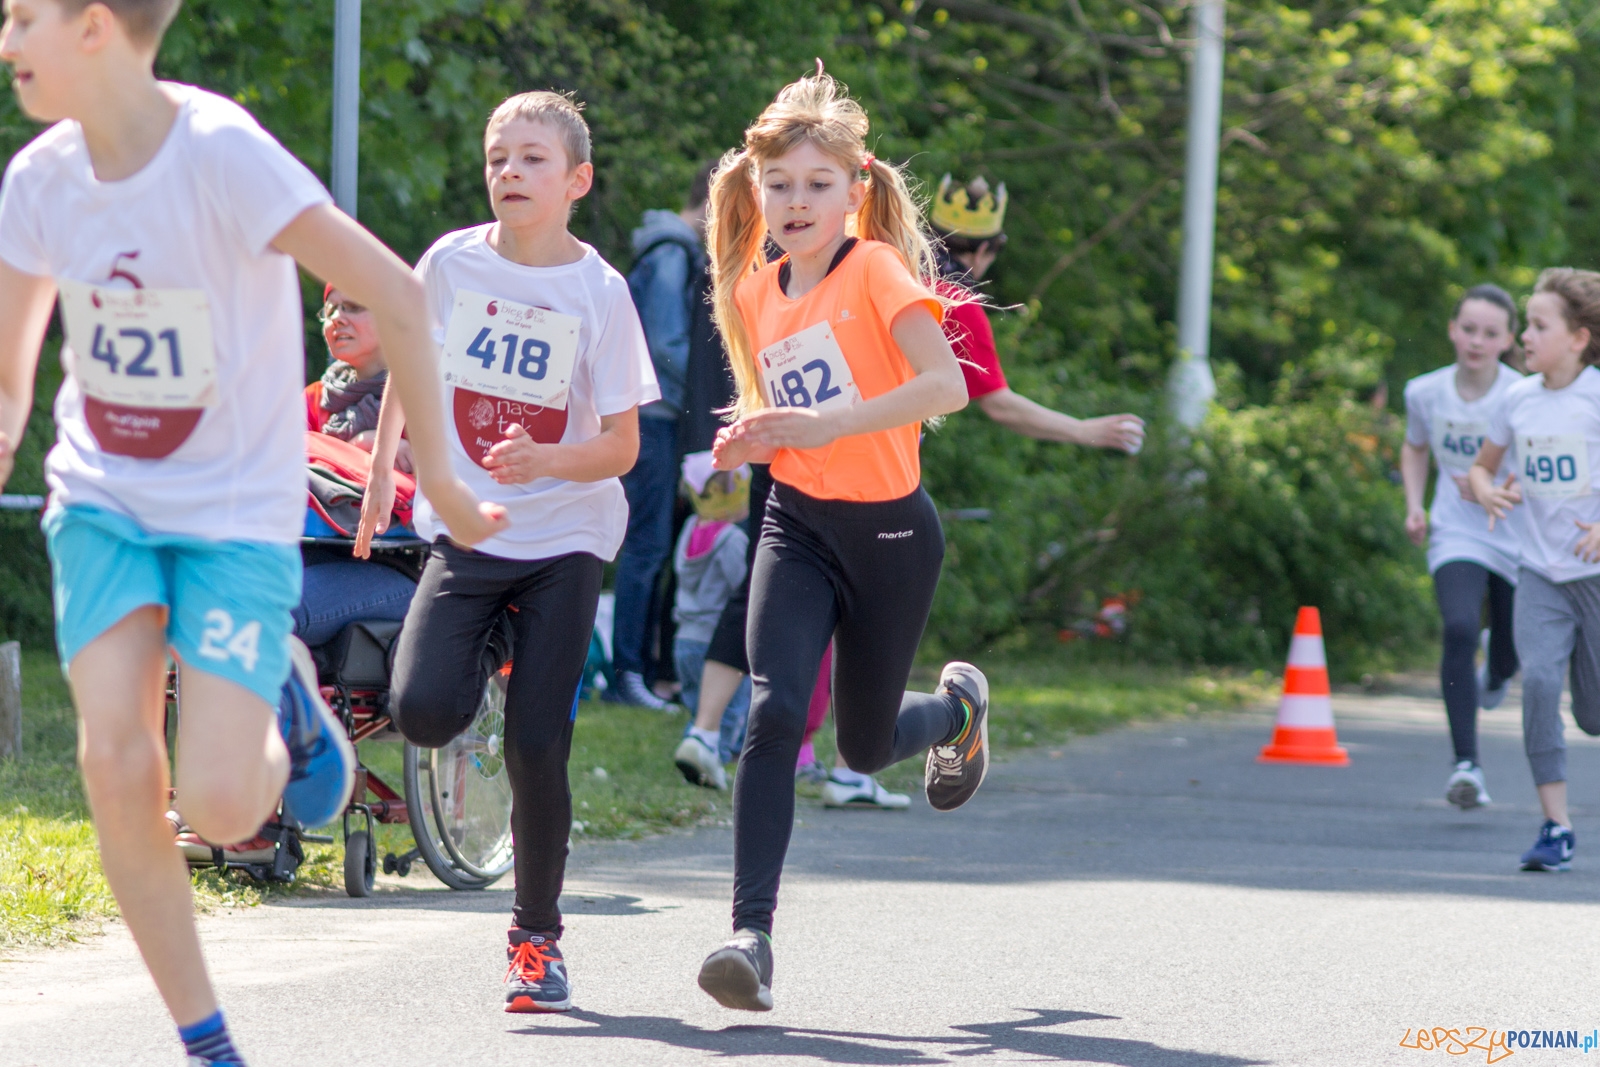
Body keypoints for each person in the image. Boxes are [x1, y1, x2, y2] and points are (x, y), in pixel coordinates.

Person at [0, 1, 503, 1063]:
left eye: (21, 19)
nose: (6, 43)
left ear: (95, 27)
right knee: (115, 761)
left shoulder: (224, 155)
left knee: (225, 807)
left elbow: (402, 298)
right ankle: (207, 1039)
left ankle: (293, 700)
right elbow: (12, 376)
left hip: (233, 518)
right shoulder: (39, 178)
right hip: (100, 503)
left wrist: (444, 485)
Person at [695, 69, 990, 1011]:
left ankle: (955, 713)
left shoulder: (876, 271)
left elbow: (945, 387)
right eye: (777, 185)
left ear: (855, 190)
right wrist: (750, 433)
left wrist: (832, 424)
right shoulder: (755, 286)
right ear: (756, 190)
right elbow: (774, 397)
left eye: (816, 185)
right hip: (798, 524)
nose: (794, 203)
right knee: (775, 714)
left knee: (862, 748)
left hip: (894, 534)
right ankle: (751, 936)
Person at [357, 91, 658, 1013]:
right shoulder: (450, 262)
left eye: (532, 159)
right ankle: (492, 646)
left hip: (566, 535)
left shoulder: (599, 292)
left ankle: (536, 940)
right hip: (471, 527)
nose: (510, 173)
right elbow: (409, 364)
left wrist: (548, 458)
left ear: (577, 180)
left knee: (537, 742)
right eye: (497, 157)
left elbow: (622, 447)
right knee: (423, 709)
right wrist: (380, 476)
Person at [1470, 268, 1600, 872]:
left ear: (1577, 338)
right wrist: (1488, 492)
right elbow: (1481, 468)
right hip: (1540, 573)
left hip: (1594, 576)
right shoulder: (1515, 400)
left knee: (1594, 714)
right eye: (1525, 323)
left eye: (1538, 325)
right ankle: (1557, 826)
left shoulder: (1596, 397)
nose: (1524, 335)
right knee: (1541, 684)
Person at [1400, 285, 1523, 810]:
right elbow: (1415, 445)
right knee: (1457, 627)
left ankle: (1496, 673)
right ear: (1452, 329)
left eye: (1490, 333)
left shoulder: (1522, 394)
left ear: (1508, 340)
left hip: (1517, 534)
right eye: (1468, 329)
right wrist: (1415, 504)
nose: (1476, 341)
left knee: (1509, 652)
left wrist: (1500, 488)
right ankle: (1466, 766)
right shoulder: (1425, 392)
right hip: (1457, 531)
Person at [930, 174, 1144, 452]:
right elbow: (999, 405)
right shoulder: (956, 302)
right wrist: (1083, 430)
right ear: (983, 250)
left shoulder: (891, 263)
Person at [610, 162, 719, 709]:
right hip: (652, 417)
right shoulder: (673, 251)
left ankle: (646, 672)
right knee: (646, 545)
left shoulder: (672, 248)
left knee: (656, 543)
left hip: (659, 418)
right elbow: (665, 346)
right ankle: (626, 674)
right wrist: (704, 399)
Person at [671, 454, 752, 790]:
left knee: (697, 706)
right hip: (715, 641)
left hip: (684, 640)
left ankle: (696, 752)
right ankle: (714, 763)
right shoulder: (733, 539)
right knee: (730, 707)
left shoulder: (690, 529)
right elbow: (742, 587)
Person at [306, 282, 415, 472]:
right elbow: (282, 455)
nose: (337, 318)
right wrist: (363, 444)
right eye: (330, 310)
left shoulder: (421, 398)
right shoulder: (316, 397)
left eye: (353, 307)